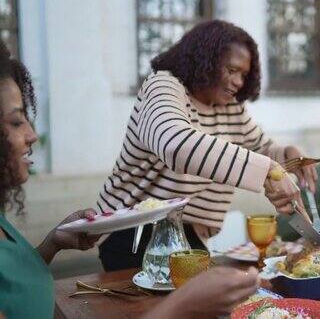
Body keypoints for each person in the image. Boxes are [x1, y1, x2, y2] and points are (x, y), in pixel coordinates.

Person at [0, 42, 259, 319]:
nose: (32, 135)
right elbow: (176, 144)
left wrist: (52, 244)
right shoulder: (164, 87)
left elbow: (13, 283)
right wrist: (183, 305)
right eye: (16, 122)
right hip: (131, 239)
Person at [97, 19, 316, 271]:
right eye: (231, 70)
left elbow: (259, 148)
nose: (238, 82)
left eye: (244, 75)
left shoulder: (230, 107)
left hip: (189, 236)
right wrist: (269, 170)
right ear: (205, 60)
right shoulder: (163, 86)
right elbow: (175, 145)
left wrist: (286, 154)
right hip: (132, 234)